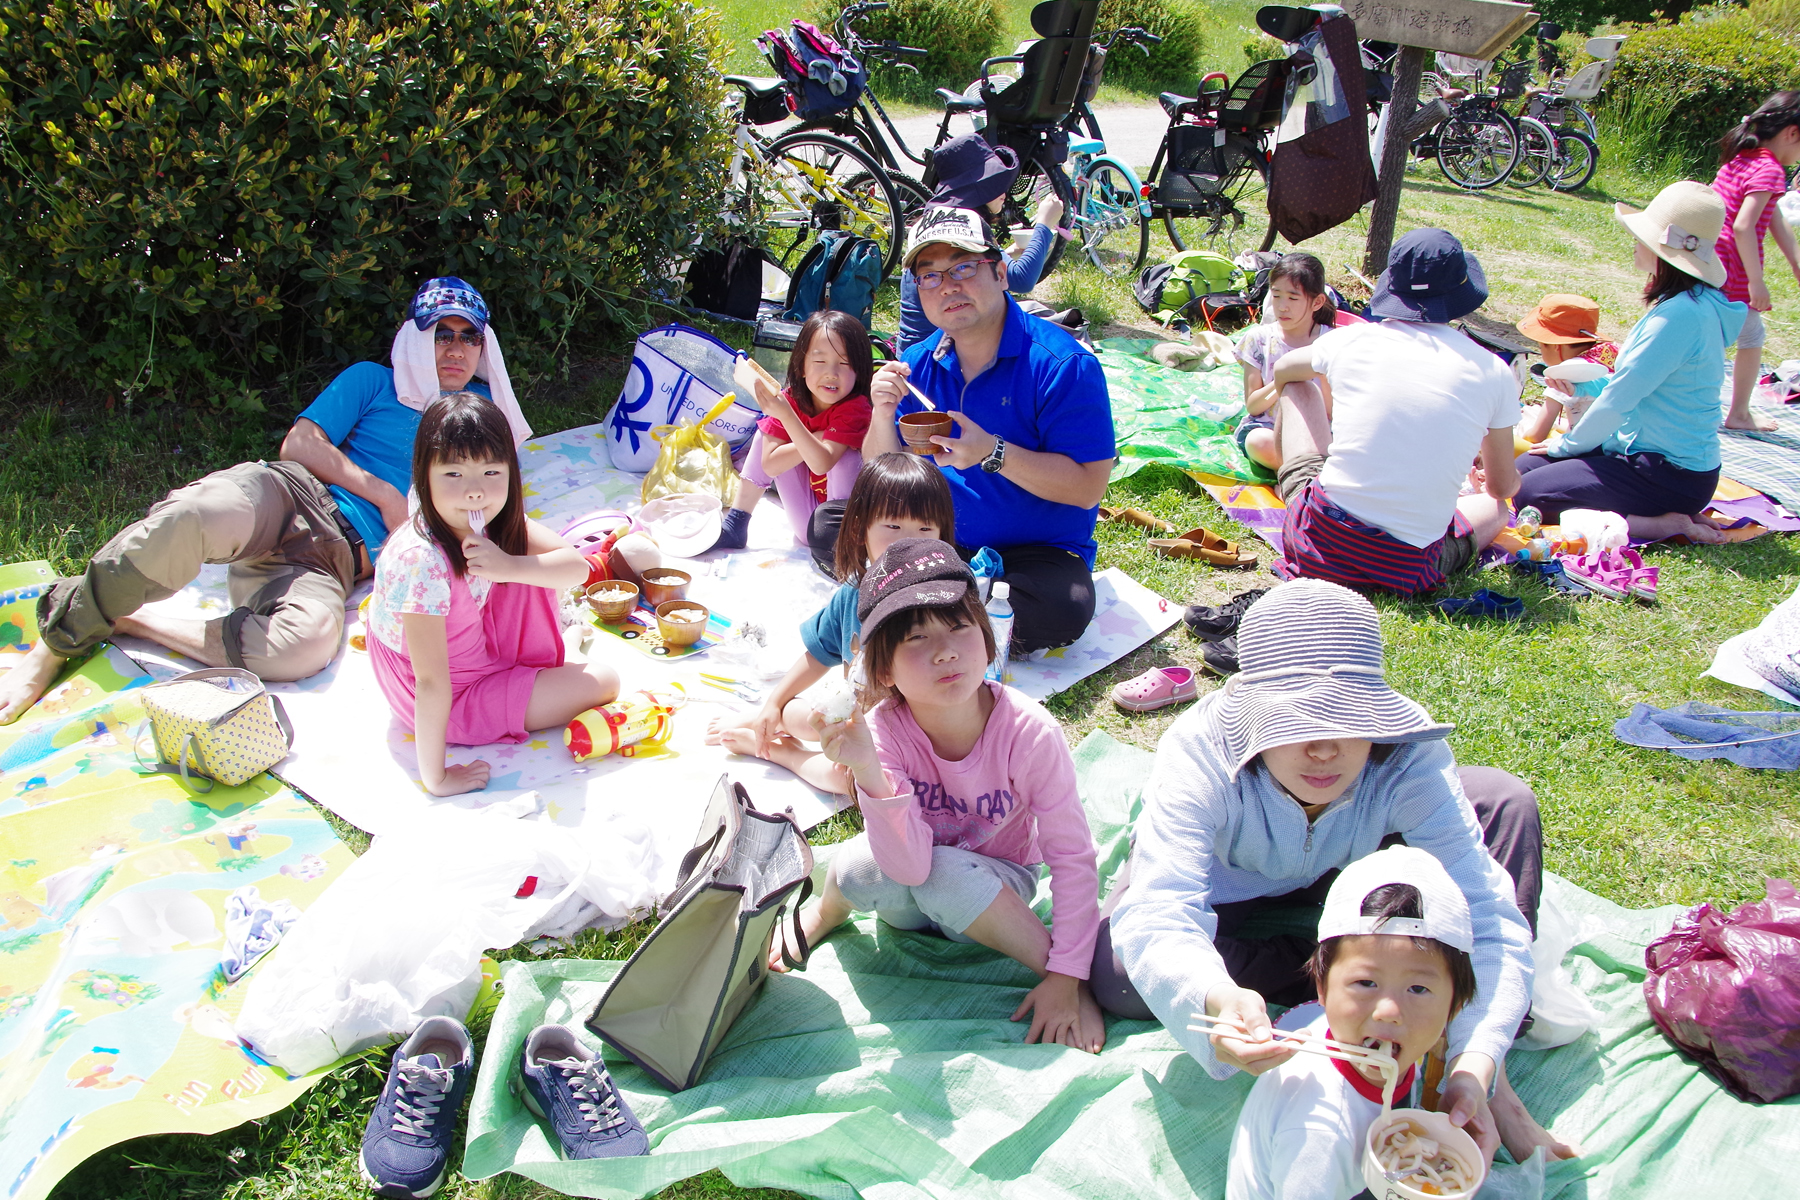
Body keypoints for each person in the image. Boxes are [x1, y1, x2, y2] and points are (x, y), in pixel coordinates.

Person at [1098, 579, 1575, 1165]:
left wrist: (1478, 1061)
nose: (1323, 749)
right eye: (1294, 723)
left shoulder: (1406, 755)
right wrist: (1217, 997)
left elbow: (1489, 913)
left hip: (1351, 865)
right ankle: (1368, 976)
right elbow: (1162, 906)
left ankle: (1454, 1035)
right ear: (1251, 714)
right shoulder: (1200, 750)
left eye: (1347, 719)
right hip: (1230, 889)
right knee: (1118, 972)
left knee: (1502, 799)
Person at [0, 276, 530, 725]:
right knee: (195, 514)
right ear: (415, 340)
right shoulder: (373, 381)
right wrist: (385, 495)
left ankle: (127, 620)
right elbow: (300, 443)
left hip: (334, 561)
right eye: (442, 334)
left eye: (469, 337)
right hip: (293, 494)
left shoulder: (477, 415)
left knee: (304, 647)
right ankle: (60, 637)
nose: (456, 349)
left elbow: (490, 506)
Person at [775, 538, 1107, 1053]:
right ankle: (826, 913)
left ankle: (1065, 980)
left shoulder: (1029, 732)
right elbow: (906, 868)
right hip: (907, 892)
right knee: (855, 862)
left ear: (988, 637)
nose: (946, 650)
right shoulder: (883, 731)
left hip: (994, 890)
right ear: (882, 669)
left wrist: (1068, 973)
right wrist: (868, 771)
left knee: (945, 875)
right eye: (915, 638)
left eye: (959, 626)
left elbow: (1072, 858)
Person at [865, 206, 1114, 655]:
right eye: (931, 276)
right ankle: (959, 610)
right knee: (831, 528)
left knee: (1063, 607)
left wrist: (992, 451)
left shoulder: (1063, 365)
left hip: (1035, 554)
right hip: (938, 539)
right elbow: (883, 472)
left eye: (963, 267)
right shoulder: (919, 362)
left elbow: (1087, 488)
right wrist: (881, 414)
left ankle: (918, 607)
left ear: (1001, 273)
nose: (949, 286)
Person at [366, 393, 618, 797]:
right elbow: (431, 682)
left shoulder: (489, 521)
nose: (474, 492)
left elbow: (574, 567)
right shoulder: (423, 564)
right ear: (423, 475)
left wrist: (508, 567)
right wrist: (437, 778)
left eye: (491, 472)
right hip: (450, 696)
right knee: (604, 682)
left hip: (469, 647)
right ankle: (555, 659)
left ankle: (551, 657)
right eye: (453, 475)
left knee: (526, 566)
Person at [1250, 230, 1520, 596]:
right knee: (1496, 508)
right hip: (1404, 569)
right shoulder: (1493, 372)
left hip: (1317, 544)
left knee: (1299, 384)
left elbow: (1284, 371)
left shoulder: (1352, 340)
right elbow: (1502, 487)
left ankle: (1291, 476)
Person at [1226, 848, 1480, 1200]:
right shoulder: (1321, 1133)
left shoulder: (1391, 1045)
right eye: (1366, 983)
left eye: (1418, 988)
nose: (1389, 1010)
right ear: (1322, 989)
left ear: (1454, 1008)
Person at [1514, 181, 1748, 543]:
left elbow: (1620, 399)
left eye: (1645, 236)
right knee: (1519, 472)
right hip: (1640, 454)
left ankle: (1667, 522)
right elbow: (1635, 386)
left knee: (1528, 494)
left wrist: (1568, 446)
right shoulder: (1687, 305)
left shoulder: (1680, 317)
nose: (1636, 242)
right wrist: (1583, 391)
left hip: (1666, 472)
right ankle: (1665, 509)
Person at [706, 452, 953, 793]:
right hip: (852, 715)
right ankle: (768, 720)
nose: (907, 541)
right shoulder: (853, 592)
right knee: (810, 718)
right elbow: (818, 651)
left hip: (909, 738)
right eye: (893, 526)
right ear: (860, 528)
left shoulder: (944, 604)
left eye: (925, 528)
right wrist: (773, 703)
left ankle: (784, 754)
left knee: (849, 781)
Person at [713, 310, 875, 551]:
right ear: (801, 366)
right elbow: (769, 465)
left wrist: (787, 417)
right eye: (820, 361)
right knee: (764, 434)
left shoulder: (855, 408)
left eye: (844, 363)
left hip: (846, 526)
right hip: (809, 526)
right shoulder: (788, 400)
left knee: (846, 457)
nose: (832, 372)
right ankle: (736, 523)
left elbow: (823, 463)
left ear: (859, 371)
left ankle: (839, 543)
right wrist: (810, 433)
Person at [896, 133, 1064, 354]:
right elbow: (1023, 280)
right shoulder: (961, 224)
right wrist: (1044, 224)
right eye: (994, 183)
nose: (1004, 191)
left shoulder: (939, 220)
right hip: (936, 359)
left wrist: (1009, 253)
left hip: (911, 353)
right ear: (977, 189)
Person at [1712, 92, 1800, 433]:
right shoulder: (1770, 169)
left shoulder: (1744, 158)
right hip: (1730, 273)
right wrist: (1756, 282)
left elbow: (1772, 214)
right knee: (1748, 338)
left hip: (1705, 265)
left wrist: (1795, 261)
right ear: (1792, 133)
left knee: (1715, 337)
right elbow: (1744, 226)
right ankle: (1739, 414)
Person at [1236, 253, 1338, 472]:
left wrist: (1318, 370)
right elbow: (1253, 406)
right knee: (1257, 442)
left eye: (1293, 298)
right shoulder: (1259, 339)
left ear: (1317, 302)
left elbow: (1332, 413)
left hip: (1318, 433)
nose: (1282, 307)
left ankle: (1294, 473)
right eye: (1276, 296)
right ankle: (1301, 474)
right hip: (1269, 429)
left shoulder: (1331, 343)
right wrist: (1285, 377)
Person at [1515, 294, 1618, 444]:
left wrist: (1522, 428)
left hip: (1583, 449)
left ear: (1556, 345)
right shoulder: (1610, 353)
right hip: (1614, 440)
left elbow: (1536, 436)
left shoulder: (1563, 374)